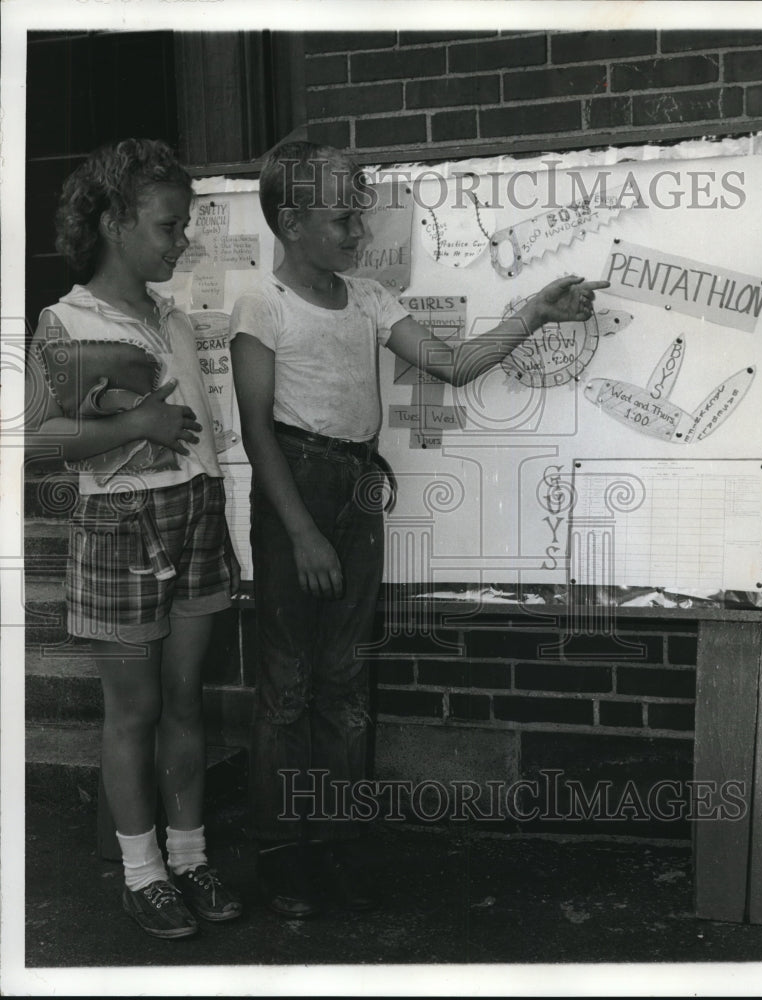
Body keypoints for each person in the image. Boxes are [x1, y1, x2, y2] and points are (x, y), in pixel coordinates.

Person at [230, 139, 608, 918]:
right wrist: (300, 532)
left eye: (359, 215)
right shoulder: (259, 307)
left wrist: (534, 311)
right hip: (294, 492)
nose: (357, 230)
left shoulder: (367, 298)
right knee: (288, 686)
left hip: (357, 489)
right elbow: (257, 432)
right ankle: (279, 851)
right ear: (291, 222)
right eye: (342, 218)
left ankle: (332, 842)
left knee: (342, 679)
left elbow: (455, 365)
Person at [26, 138, 243, 939]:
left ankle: (189, 857)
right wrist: (137, 419)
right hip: (120, 523)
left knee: (186, 698)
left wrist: (214, 498)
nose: (180, 241)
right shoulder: (69, 319)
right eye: (167, 226)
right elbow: (36, 439)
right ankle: (142, 874)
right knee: (135, 710)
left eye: (183, 227)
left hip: (194, 511)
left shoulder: (172, 316)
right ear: (114, 221)